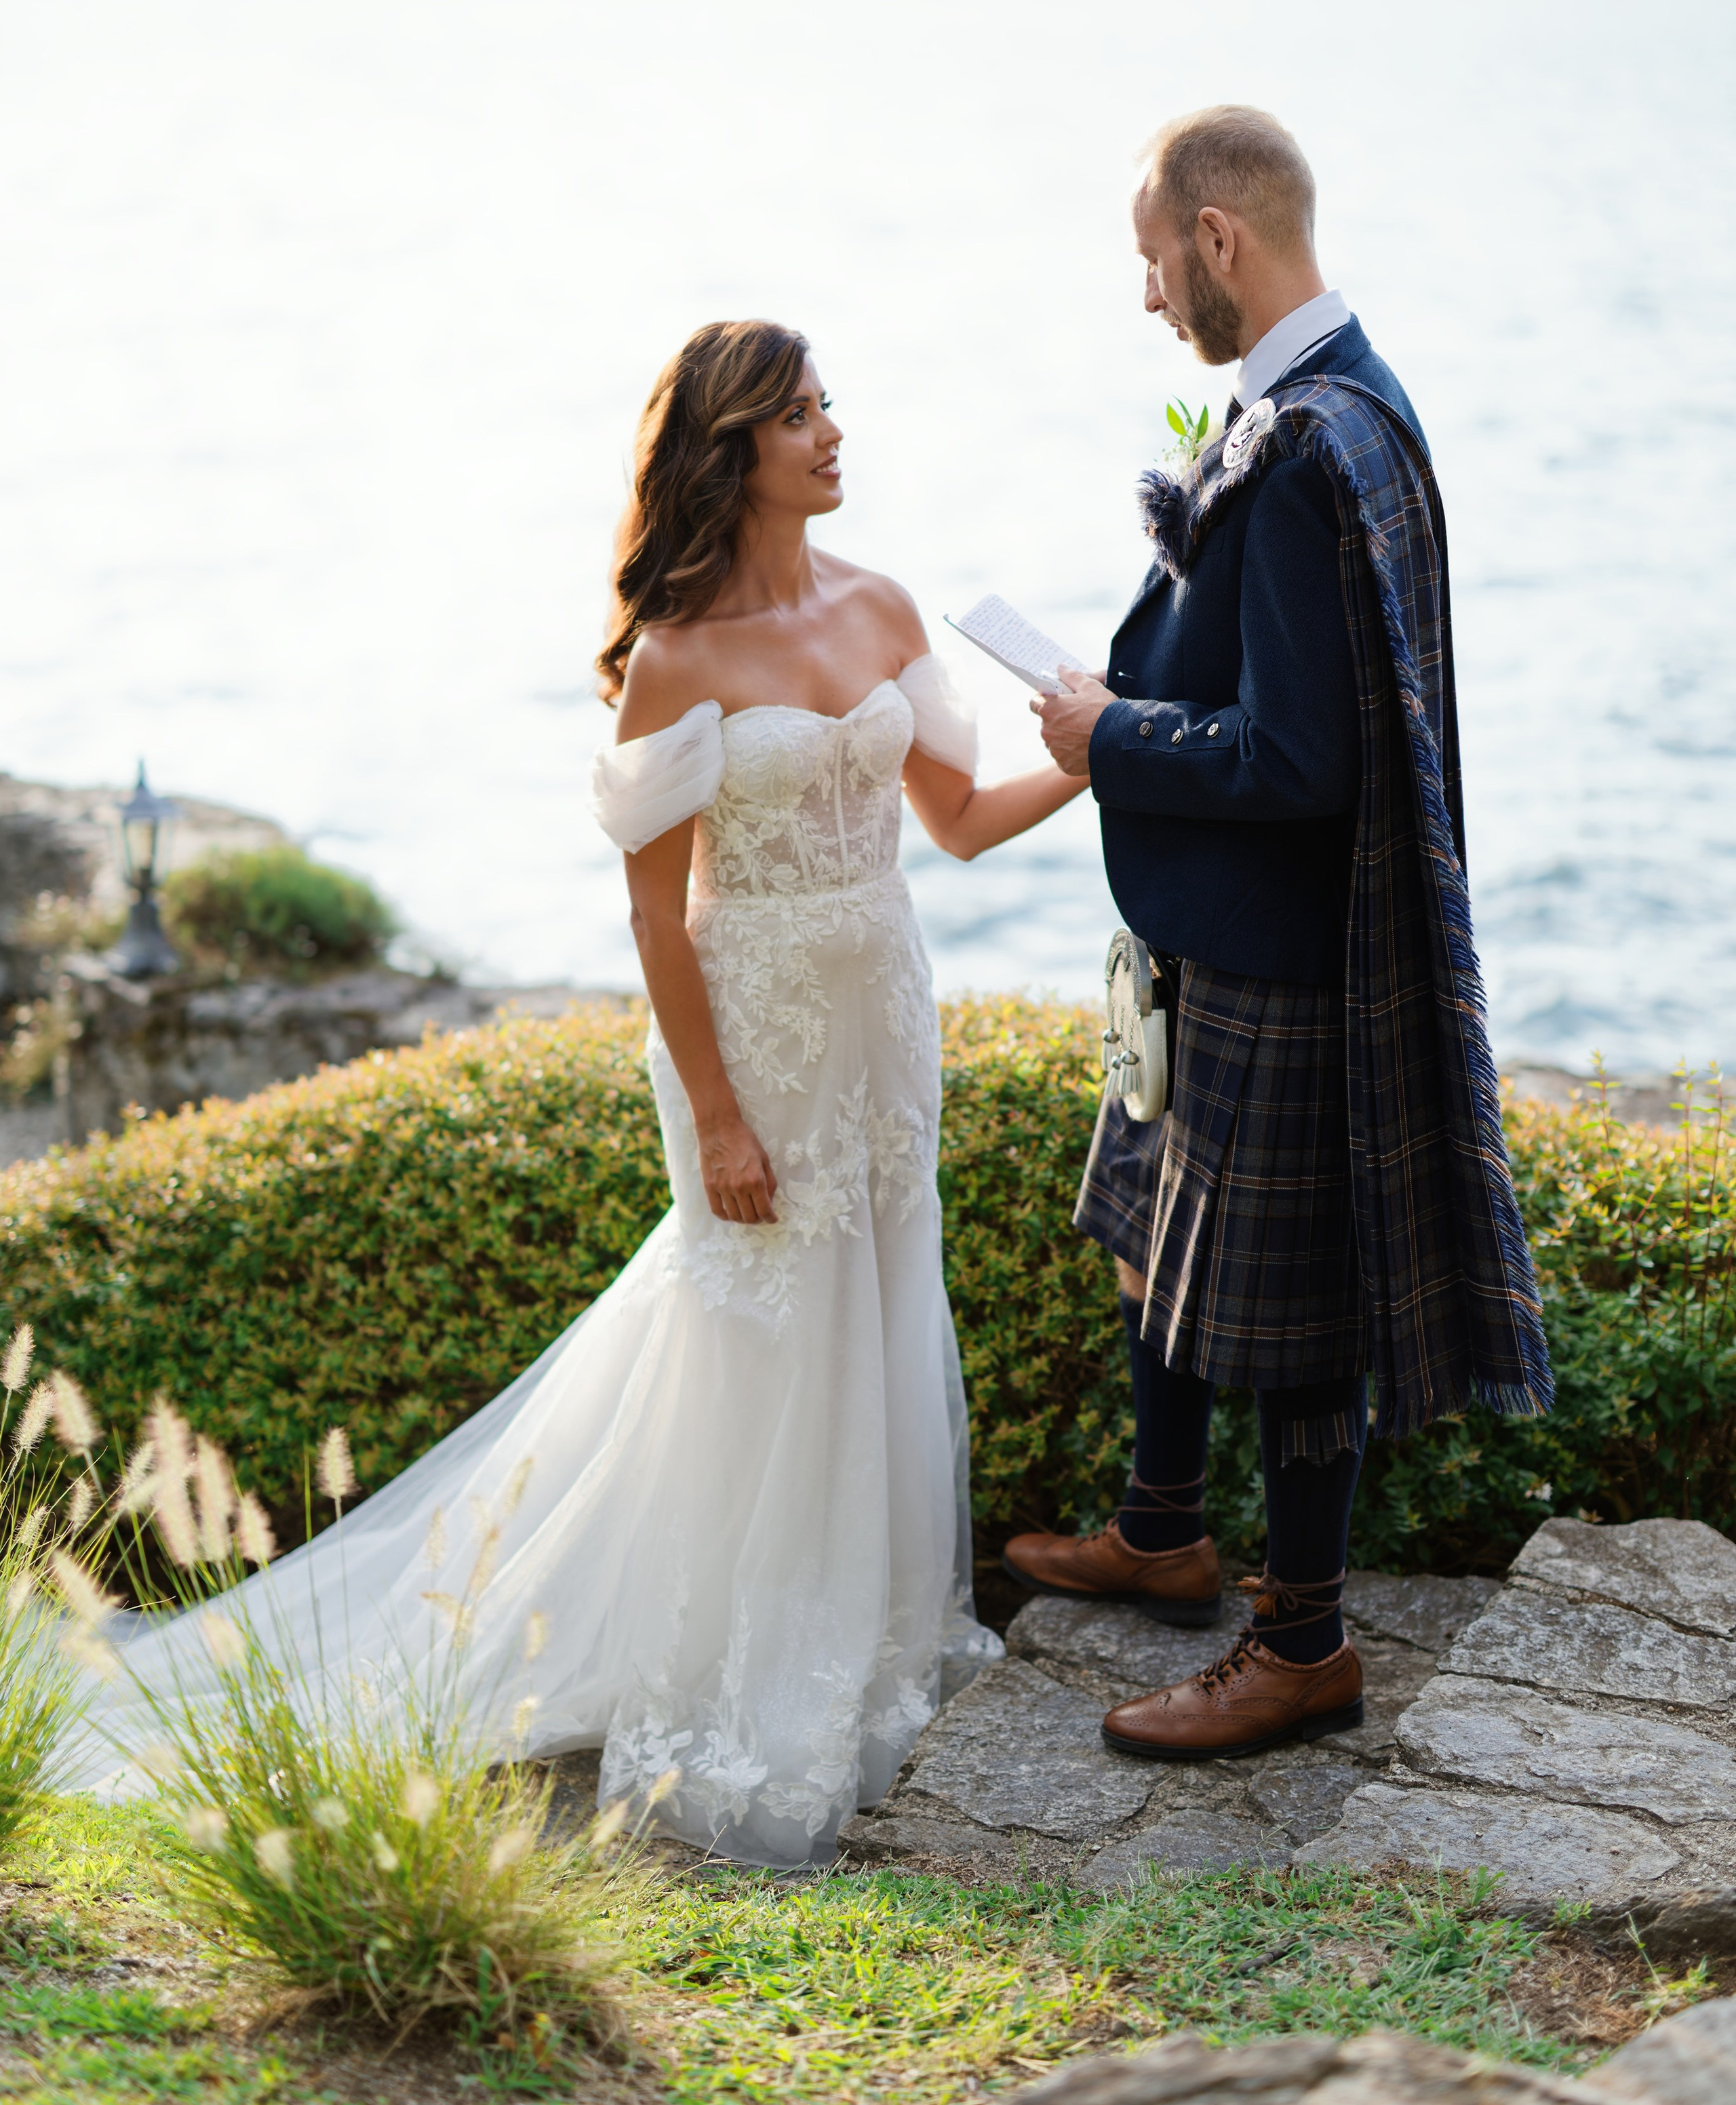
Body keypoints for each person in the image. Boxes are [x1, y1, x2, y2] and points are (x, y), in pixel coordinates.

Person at [67, 317, 1085, 1870]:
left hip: (882, 1022)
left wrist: (1084, 755)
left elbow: (953, 822)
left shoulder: (882, 605)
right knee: (760, 1340)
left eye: (829, 408)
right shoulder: (674, 656)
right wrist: (722, 1116)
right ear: (728, 448)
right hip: (747, 1040)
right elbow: (652, 919)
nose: (831, 433)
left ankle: (875, 1644)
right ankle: (745, 1671)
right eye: (799, 415)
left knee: (880, 1304)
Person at [1004, 106, 1551, 1761]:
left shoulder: (1316, 441)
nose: (1151, 300)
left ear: (1216, 237)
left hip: (1280, 953)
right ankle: (1160, 1523)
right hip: (1207, 933)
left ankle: (1301, 1646)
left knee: (1295, 1324)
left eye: (1153, 264)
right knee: (1144, 1224)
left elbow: (1299, 760)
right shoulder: (1328, 407)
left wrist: (1104, 733)